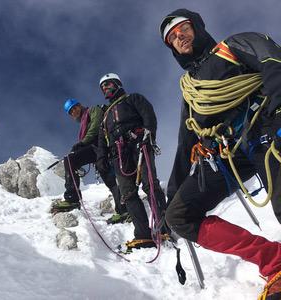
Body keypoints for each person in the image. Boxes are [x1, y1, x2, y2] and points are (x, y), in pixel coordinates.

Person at [160, 9, 281, 298]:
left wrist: (278, 111)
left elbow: (273, 61)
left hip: (265, 129)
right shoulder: (190, 90)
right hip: (227, 154)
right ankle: (275, 262)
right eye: (172, 38)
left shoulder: (235, 45)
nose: (179, 37)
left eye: (183, 28)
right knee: (180, 215)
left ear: (198, 27)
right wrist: (169, 200)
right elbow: (185, 144)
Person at [96, 73, 167, 251]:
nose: (105, 88)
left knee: (149, 184)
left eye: (108, 84)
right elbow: (101, 140)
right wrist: (101, 158)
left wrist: (149, 135)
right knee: (127, 193)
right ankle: (143, 235)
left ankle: (164, 227)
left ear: (117, 84)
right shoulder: (105, 116)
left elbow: (148, 115)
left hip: (138, 143)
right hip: (118, 154)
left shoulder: (133, 98)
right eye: (102, 86)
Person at [51, 98, 129, 224]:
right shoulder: (83, 122)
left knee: (70, 160)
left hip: (100, 148)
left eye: (75, 108)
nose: (74, 112)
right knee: (110, 181)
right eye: (71, 112)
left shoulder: (93, 110)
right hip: (101, 151)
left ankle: (72, 198)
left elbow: (96, 126)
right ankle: (123, 210)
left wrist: (82, 143)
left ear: (80, 105)